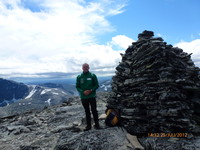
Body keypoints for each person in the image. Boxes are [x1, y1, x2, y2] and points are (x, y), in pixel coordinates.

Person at [76, 63, 100, 131]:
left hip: (92, 96)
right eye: (84, 67)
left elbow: (97, 85)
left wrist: (91, 90)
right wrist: (82, 91)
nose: (85, 68)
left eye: (86, 67)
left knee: (94, 110)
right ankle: (88, 126)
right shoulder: (79, 77)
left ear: (89, 67)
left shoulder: (93, 75)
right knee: (87, 111)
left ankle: (97, 124)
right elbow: (77, 86)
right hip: (84, 97)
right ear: (82, 68)